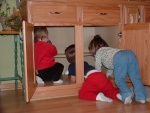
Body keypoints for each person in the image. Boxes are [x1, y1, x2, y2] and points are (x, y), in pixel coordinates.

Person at [88, 34, 147, 104]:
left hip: (120, 57)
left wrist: (99, 77)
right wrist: (107, 74)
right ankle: (142, 97)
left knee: (120, 80)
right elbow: (112, 65)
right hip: (130, 53)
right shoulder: (109, 50)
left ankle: (127, 94)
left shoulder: (98, 53)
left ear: (93, 49)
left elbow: (98, 67)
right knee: (135, 77)